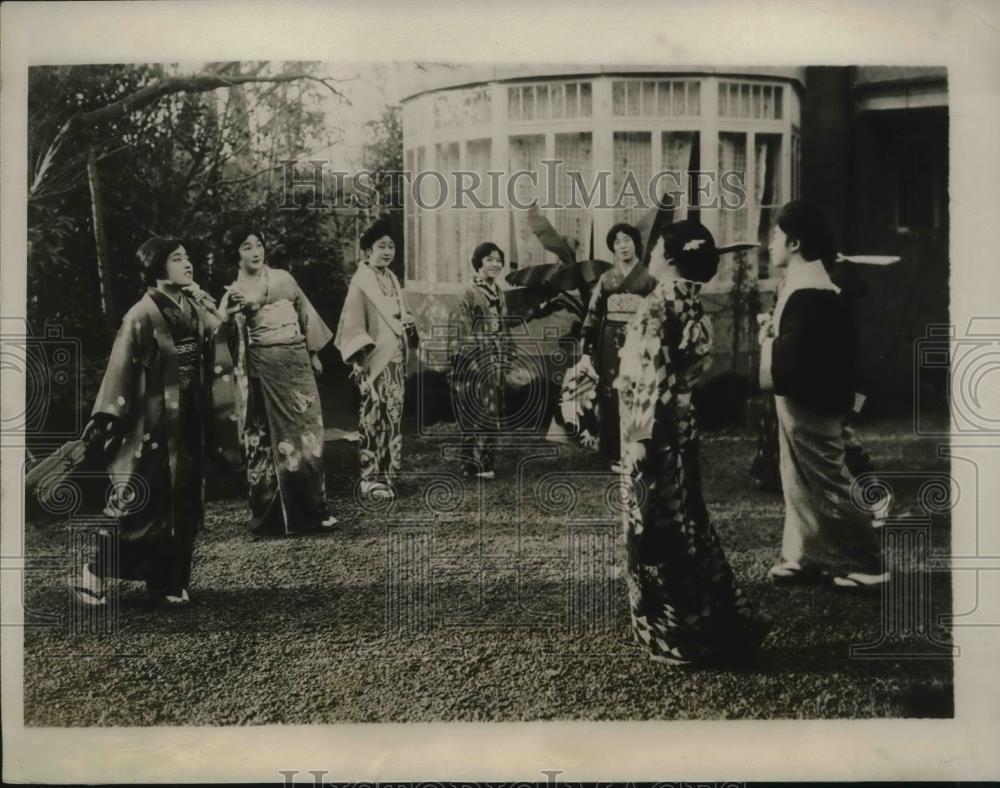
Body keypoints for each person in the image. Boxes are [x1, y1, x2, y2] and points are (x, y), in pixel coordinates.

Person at [616, 219, 771, 666]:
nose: (651, 254)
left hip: (652, 434)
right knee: (687, 523)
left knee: (658, 532)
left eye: (657, 247)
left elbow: (651, 378)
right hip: (679, 429)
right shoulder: (689, 304)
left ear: (669, 257)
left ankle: (680, 636)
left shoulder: (658, 306)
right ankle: (726, 620)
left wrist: (641, 441)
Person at [71, 237, 241, 606]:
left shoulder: (194, 308)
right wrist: (106, 415)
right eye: (177, 259)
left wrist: (214, 307)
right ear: (156, 267)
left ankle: (166, 581)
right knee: (139, 500)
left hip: (188, 417)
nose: (187, 264)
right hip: (150, 423)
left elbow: (219, 336)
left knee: (182, 501)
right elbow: (121, 369)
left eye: (188, 258)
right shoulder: (140, 314)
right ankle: (95, 571)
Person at [759, 200, 888, 591]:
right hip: (808, 397)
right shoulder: (808, 286)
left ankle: (870, 562)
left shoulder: (810, 291)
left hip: (810, 400)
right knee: (796, 476)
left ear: (795, 242)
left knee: (827, 480)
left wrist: (766, 340)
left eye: (776, 237)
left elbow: (796, 359)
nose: (770, 245)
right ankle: (800, 557)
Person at [221, 224, 338, 537]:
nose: (256, 251)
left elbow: (304, 313)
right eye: (246, 246)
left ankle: (317, 509)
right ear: (235, 254)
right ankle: (275, 516)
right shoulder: (233, 291)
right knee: (271, 441)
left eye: (258, 244)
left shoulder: (283, 278)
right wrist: (233, 316)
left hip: (296, 358)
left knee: (311, 435)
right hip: (264, 366)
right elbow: (226, 336)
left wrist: (313, 352)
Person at [335, 218, 418, 500]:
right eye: (381, 246)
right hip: (372, 358)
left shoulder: (391, 278)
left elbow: (402, 314)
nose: (387, 251)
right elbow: (353, 324)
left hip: (395, 358)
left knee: (392, 415)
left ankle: (390, 475)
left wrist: (408, 324)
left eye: (391, 246)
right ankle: (369, 478)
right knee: (372, 414)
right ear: (366, 251)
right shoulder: (361, 283)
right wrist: (359, 360)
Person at [581, 223, 657, 464]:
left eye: (627, 239)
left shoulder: (649, 277)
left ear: (636, 243)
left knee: (637, 391)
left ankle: (637, 449)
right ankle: (612, 449)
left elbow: (657, 313)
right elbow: (593, 315)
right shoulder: (606, 279)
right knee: (609, 392)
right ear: (613, 248)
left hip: (638, 341)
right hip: (609, 341)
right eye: (617, 242)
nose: (623, 245)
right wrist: (586, 351)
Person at [448, 242, 514, 479]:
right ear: (478, 263)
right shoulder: (468, 292)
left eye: (498, 260)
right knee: (473, 410)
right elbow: (459, 328)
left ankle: (486, 463)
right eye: (489, 259)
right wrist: (469, 362)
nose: (495, 264)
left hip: (495, 358)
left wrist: (506, 355)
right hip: (474, 358)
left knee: (491, 409)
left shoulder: (498, 292)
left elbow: (504, 328)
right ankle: (470, 465)